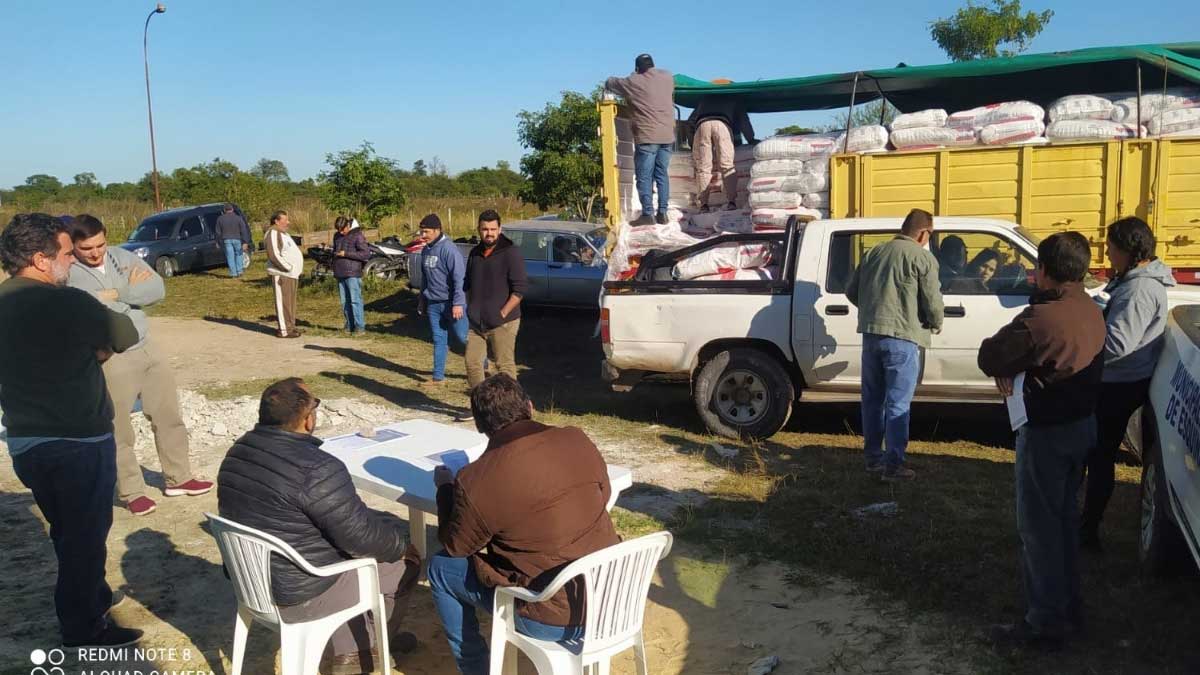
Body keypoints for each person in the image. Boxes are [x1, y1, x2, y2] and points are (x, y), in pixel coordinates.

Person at [0, 213, 143, 648]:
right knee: (84, 538)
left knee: (66, 528)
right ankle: (85, 626)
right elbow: (126, 331)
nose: (70, 264)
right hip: (79, 440)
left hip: (26, 443)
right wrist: (93, 349)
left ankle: (91, 597)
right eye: (65, 255)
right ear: (42, 260)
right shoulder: (71, 303)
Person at [217, 378, 420, 674]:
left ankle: (365, 643)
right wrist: (402, 545)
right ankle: (365, 650)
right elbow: (360, 537)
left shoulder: (236, 452)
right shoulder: (317, 467)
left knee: (345, 549)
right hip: (300, 592)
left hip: (251, 580)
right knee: (405, 565)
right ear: (307, 419)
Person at [428, 374, 620, 675]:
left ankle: (474, 669)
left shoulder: (476, 478)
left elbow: (455, 546)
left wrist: (445, 489)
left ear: (480, 427)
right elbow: (604, 494)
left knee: (440, 568)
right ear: (529, 406)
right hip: (612, 594)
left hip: (550, 615)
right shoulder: (576, 438)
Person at [978, 231, 1106, 650]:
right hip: (1081, 427)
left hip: (1048, 433)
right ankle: (1068, 607)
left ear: (1044, 271)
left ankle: (1045, 622)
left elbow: (991, 356)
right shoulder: (1091, 309)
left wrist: (1013, 365)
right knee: (1064, 520)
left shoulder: (1042, 319)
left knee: (1039, 529)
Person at [67, 215, 212, 516]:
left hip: (147, 347)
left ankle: (179, 478)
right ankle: (132, 491)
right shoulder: (69, 273)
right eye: (86, 248)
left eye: (100, 244)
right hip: (111, 356)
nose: (95, 253)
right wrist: (125, 298)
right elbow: (87, 308)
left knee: (169, 415)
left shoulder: (122, 256)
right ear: (74, 246)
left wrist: (117, 294)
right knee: (119, 427)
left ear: (106, 236)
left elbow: (157, 290)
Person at [1081, 217, 1175, 551]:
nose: (1108, 254)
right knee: (1097, 452)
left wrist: (1080, 348)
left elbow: (1118, 344)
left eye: (1111, 248)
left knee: (1099, 454)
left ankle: (1087, 530)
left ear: (1129, 250)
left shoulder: (1139, 290)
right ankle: (1086, 525)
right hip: (1120, 380)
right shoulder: (1133, 282)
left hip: (1118, 383)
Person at [846, 208, 944, 481]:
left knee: (873, 402)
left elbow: (852, 291)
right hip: (903, 338)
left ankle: (873, 460)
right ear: (924, 233)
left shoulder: (874, 252)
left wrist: (872, 309)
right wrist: (936, 322)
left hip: (871, 336)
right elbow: (932, 302)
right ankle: (894, 466)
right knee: (898, 404)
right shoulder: (922, 258)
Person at [606, 53, 676, 225]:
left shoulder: (633, 81)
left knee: (644, 176)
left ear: (637, 68)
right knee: (661, 174)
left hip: (647, 137)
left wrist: (633, 75)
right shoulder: (667, 77)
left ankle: (647, 214)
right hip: (667, 136)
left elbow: (611, 82)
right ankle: (663, 213)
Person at [464, 210, 528, 395]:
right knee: (472, 362)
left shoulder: (510, 252)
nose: (489, 233)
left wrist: (503, 312)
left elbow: (520, 289)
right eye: (485, 229)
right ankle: (479, 406)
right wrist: (472, 310)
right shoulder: (475, 253)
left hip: (503, 322)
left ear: (499, 229)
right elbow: (467, 285)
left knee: (504, 366)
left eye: (493, 229)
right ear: (479, 229)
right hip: (477, 323)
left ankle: (513, 408)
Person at [416, 214, 468, 387]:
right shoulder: (425, 250)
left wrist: (458, 303)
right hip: (433, 304)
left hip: (451, 303)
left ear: (437, 230)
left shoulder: (449, 249)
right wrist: (422, 299)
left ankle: (483, 364)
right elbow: (425, 278)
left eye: (426, 232)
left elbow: (459, 279)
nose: (422, 235)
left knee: (463, 337)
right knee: (439, 339)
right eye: (421, 231)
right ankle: (438, 378)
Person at [688, 95, 756, 213]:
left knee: (703, 168)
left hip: (702, 125)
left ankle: (703, 205)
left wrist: (691, 143)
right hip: (722, 125)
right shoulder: (735, 97)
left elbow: (690, 122)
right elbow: (743, 121)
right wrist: (751, 139)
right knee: (726, 165)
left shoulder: (704, 99)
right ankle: (731, 202)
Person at [264, 210, 304, 338]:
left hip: (291, 275)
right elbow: (274, 255)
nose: (288, 222)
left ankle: (290, 327)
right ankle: (284, 330)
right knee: (283, 303)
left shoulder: (283, 234)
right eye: (285, 220)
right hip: (282, 274)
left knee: (290, 303)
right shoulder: (273, 233)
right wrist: (287, 268)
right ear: (276, 221)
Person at [333, 216, 370, 335]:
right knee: (345, 302)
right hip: (340, 272)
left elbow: (365, 254)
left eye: (342, 229)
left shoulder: (358, 235)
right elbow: (335, 250)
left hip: (353, 273)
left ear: (348, 226)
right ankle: (349, 325)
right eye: (338, 230)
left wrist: (346, 254)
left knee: (355, 301)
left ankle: (360, 327)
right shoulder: (336, 236)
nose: (340, 232)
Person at [214, 204, 251, 278]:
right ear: (232, 209)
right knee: (239, 255)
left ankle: (233, 273)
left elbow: (218, 232)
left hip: (226, 240)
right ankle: (239, 271)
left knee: (230, 256)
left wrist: (217, 242)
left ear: (224, 210)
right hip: (237, 239)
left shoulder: (220, 219)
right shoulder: (238, 218)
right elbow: (244, 230)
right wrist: (245, 242)